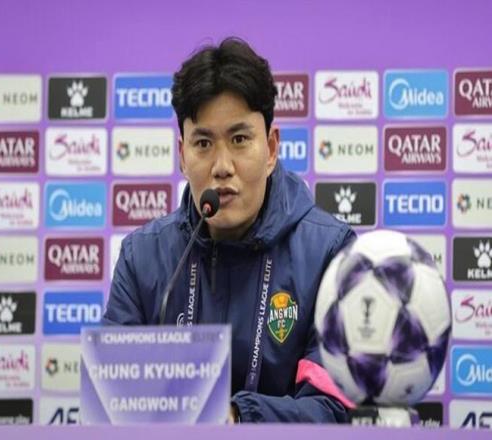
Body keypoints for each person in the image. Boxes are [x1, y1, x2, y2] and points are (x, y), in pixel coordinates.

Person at [103, 37, 356, 423]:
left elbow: (332, 408)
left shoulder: (329, 254)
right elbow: (112, 400)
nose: (222, 166)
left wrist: (236, 418)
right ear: (182, 155)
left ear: (271, 149)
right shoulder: (144, 258)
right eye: (203, 143)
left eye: (239, 140)